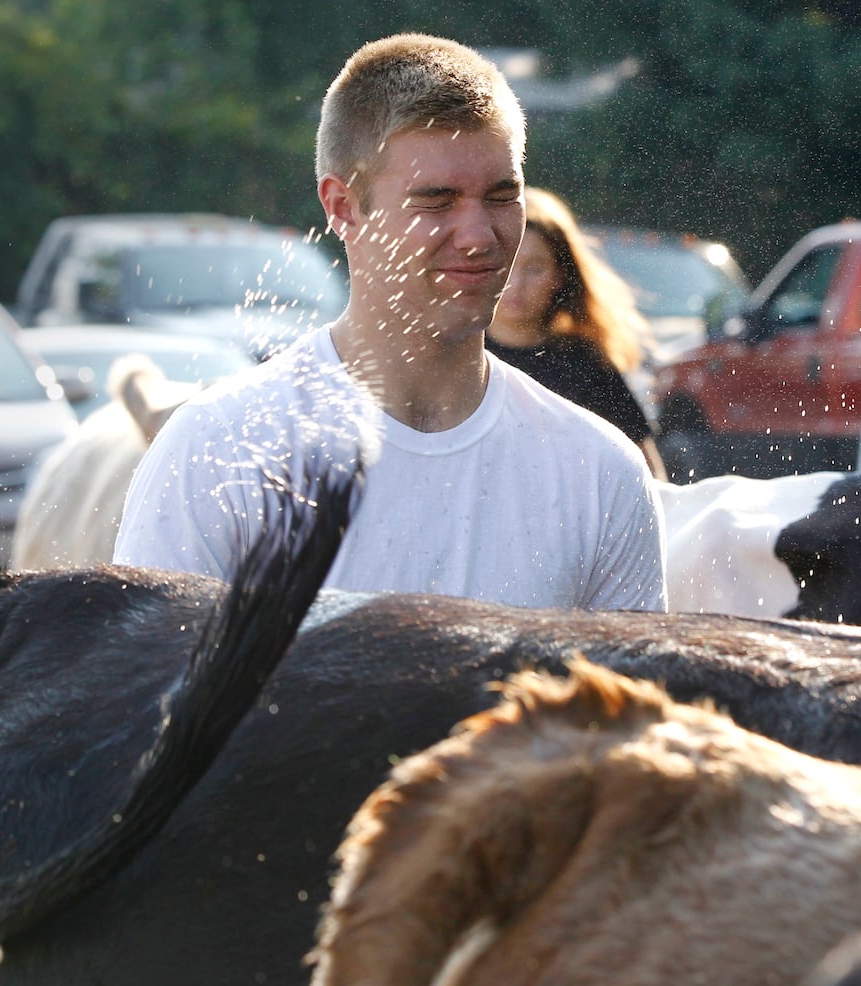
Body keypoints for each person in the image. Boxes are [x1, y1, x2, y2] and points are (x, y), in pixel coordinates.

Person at [114, 33, 667, 612]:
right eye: (437, 200)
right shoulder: (220, 450)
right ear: (343, 207)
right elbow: (145, 697)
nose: (480, 236)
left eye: (502, 196)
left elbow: (628, 705)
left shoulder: (598, 472)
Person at [485, 186, 669, 479]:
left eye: (534, 269)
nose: (515, 283)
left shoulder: (586, 364)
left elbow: (646, 472)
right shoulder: (452, 355)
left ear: (560, 275)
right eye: (504, 265)